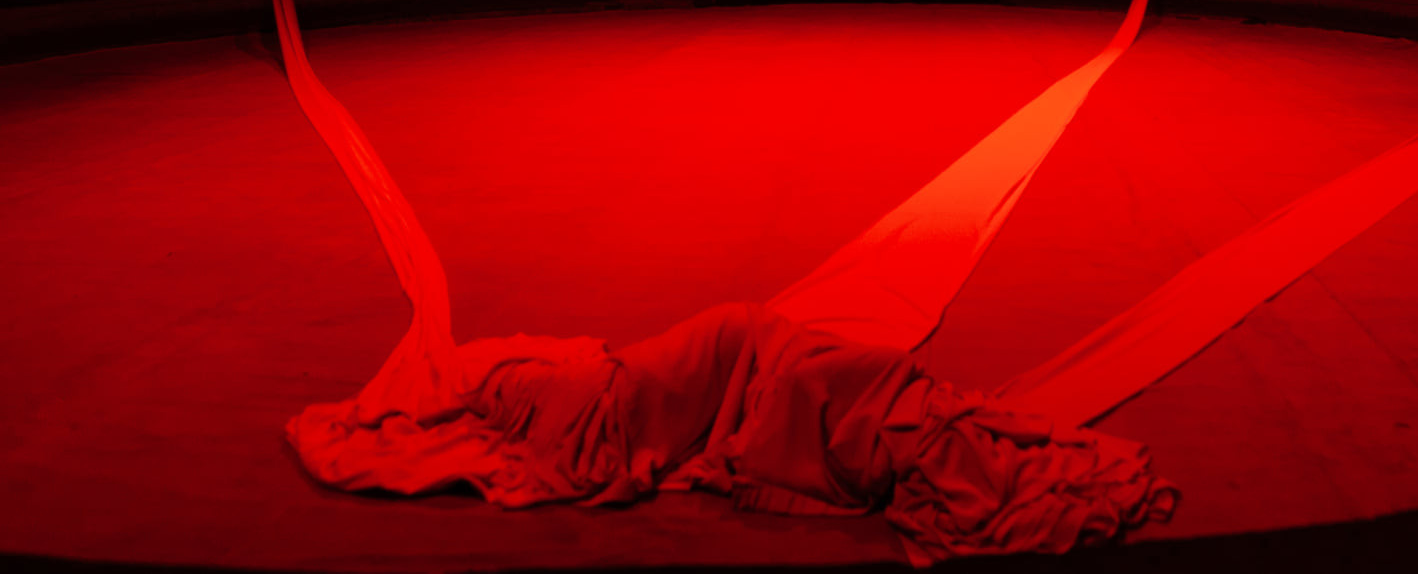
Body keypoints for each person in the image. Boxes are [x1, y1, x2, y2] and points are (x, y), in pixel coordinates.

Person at [287, 301, 1176, 563]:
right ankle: (913, 419)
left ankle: (911, 414)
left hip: (739, 349)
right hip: (708, 382)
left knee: (824, 367)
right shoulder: (568, 405)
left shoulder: (569, 375)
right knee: (838, 383)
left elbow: (628, 370)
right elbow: (644, 414)